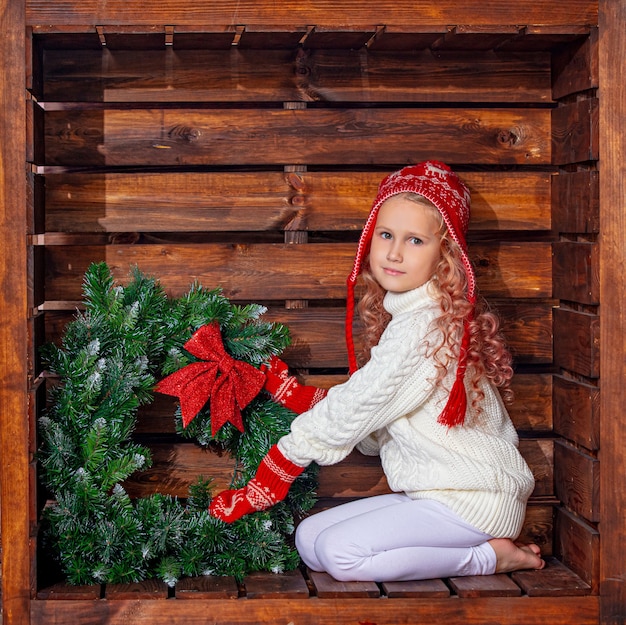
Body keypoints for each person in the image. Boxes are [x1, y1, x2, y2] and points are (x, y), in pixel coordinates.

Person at [209, 161, 545, 582]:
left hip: (472, 499)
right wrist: (302, 398)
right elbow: (375, 407)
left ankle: (490, 558)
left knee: (339, 553)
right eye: (386, 235)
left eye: (415, 240)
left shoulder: (427, 325)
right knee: (311, 540)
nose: (394, 252)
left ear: (445, 256)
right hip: (434, 492)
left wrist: (278, 467)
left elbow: (362, 401)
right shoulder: (414, 315)